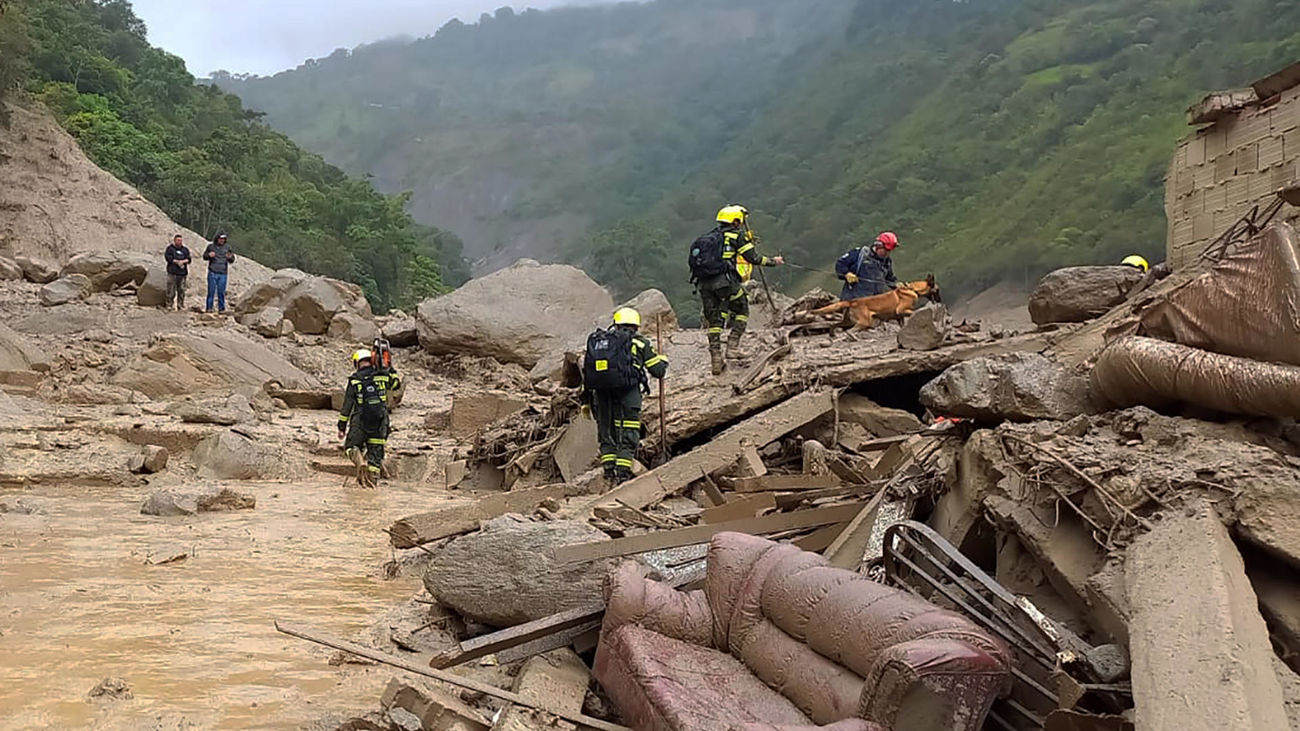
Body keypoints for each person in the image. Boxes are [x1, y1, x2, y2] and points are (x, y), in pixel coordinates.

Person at [689, 205, 784, 375]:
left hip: (704, 284)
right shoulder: (737, 235)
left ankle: (716, 360)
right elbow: (753, 258)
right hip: (725, 282)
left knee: (715, 321)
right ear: (735, 221)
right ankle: (732, 347)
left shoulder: (710, 236)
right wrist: (773, 261)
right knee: (742, 308)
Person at [581, 307, 669, 486]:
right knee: (627, 431)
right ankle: (622, 474)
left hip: (602, 395)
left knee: (607, 432)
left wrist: (586, 402)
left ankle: (608, 473)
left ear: (616, 324)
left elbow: (587, 373)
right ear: (636, 326)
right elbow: (658, 371)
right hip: (628, 395)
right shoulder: (640, 343)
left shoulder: (600, 343)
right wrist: (663, 360)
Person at [337, 349, 400, 488]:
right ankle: (372, 484)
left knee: (350, 447)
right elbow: (397, 385)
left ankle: (360, 462)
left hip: (360, 419)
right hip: (380, 420)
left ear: (357, 362)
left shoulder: (354, 380)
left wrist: (341, 427)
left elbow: (347, 406)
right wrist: (390, 368)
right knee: (375, 455)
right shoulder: (383, 376)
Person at [835, 232, 899, 301]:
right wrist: (846, 273)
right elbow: (840, 264)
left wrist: (897, 285)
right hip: (853, 301)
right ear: (878, 246)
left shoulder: (887, 261)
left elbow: (889, 279)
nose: (887, 253)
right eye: (885, 250)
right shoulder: (860, 254)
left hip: (872, 304)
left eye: (889, 251)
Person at [203, 231, 235, 313]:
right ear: (217, 238)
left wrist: (230, 257)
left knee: (221, 292)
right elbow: (204, 256)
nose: (222, 240)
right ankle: (209, 308)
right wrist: (209, 255)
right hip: (212, 271)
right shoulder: (211, 246)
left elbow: (232, 260)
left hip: (223, 272)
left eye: (223, 239)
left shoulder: (227, 247)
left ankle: (221, 309)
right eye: (220, 239)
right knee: (211, 291)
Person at [163, 234, 191, 311]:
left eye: (181, 240)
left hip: (182, 273)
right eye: (178, 240)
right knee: (171, 290)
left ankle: (180, 305)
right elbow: (168, 258)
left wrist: (183, 261)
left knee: (181, 290)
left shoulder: (185, 249)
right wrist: (177, 262)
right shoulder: (170, 249)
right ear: (175, 240)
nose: (180, 242)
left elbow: (189, 259)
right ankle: (169, 304)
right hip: (172, 272)